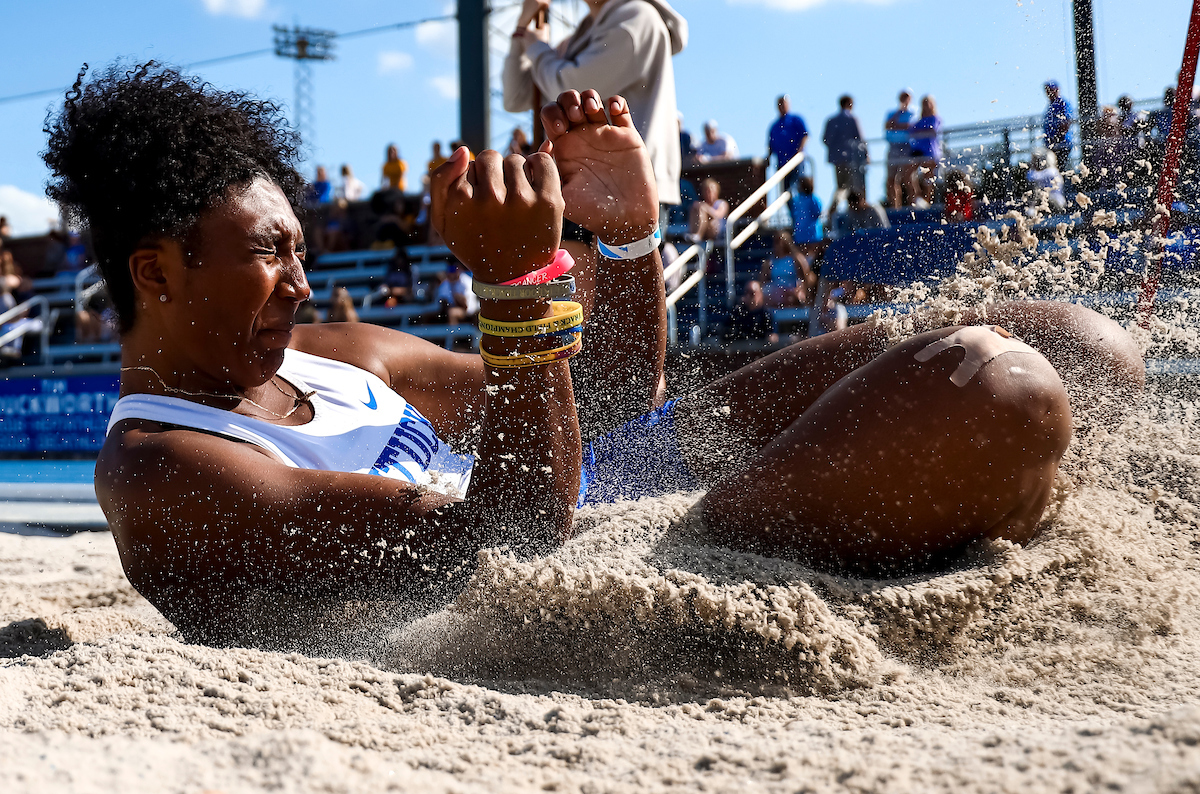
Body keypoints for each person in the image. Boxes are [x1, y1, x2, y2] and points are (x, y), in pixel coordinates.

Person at [52, 65, 1141, 644]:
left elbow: (615, 396)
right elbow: (510, 539)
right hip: (607, 563)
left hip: (612, 491)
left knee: (1086, 345)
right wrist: (520, 289)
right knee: (1004, 388)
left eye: (299, 249)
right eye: (269, 254)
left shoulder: (334, 354)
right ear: (157, 273)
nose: (300, 279)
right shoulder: (160, 466)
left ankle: (948, 493)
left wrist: (618, 236)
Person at [503, 0, 687, 212]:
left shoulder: (636, 18)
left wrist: (537, 49)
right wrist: (522, 30)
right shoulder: (582, 38)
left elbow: (571, 90)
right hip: (582, 184)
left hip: (625, 187)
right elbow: (516, 98)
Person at [822, 95, 867, 225]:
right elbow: (860, 139)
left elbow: (825, 140)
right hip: (851, 159)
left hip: (837, 160)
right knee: (852, 188)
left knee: (841, 186)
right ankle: (838, 212)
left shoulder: (831, 120)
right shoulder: (852, 119)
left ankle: (834, 211)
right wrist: (866, 155)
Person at [767, 95, 808, 211]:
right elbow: (770, 145)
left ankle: (802, 215)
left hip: (796, 163)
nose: (782, 107)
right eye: (780, 104)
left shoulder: (796, 120)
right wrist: (768, 158)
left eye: (784, 104)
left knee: (797, 189)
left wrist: (799, 151)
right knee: (785, 193)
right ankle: (794, 217)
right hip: (782, 164)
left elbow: (805, 136)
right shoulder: (774, 126)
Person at [905, 95, 942, 206]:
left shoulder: (935, 118)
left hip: (930, 152)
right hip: (917, 151)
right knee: (907, 174)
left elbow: (932, 130)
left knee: (928, 178)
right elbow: (911, 130)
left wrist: (919, 131)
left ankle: (927, 202)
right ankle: (916, 197)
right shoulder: (920, 120)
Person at [884, 90, 915, 208]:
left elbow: (911, 127)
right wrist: (899, 113)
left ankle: (912, 204)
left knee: (908, 178)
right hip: (893, 147)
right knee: (891, 179)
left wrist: (896, 125)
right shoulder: (892, 113)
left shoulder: (914, 112)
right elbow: (887, 126)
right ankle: (895, 205)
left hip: (907, 147)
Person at [790, 176, 824, 263]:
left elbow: (793, 215)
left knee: (803, 260)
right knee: (813, 260)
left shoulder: (796, 200)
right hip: (813, 234)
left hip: (800, 234)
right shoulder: (813, 199)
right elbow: (818, 212)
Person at [1043, 80, 1074, 172]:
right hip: (1052, 144)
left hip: (1062, 143)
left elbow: (1067, 121)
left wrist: (1057, 138)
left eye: (1051, 89)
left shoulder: (1062, 103)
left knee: (1061, 169)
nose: (1048, 92)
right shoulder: (1050, 105)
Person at [1026, 149, 1066, 214]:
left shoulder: (1052, 172)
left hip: (1056, 203)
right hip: (1047, 203)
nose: (1036, 162)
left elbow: (1032, 176)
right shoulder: (1047, 172)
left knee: (1038, 193)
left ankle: (1031, 211)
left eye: (1038, 160)